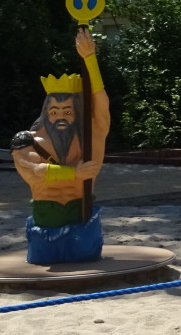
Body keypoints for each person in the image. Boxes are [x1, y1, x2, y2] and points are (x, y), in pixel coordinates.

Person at [13, 28, 109, 264]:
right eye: (54, 112)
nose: (60, 117)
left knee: (86, 262)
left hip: (81, 213)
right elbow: (34, 173)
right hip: (47, 216)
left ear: (77, 112)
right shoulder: (28, 141)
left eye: (67, 111)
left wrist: (90, 60)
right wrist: (73, 172)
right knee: (44, 261)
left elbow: (101, 103)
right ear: (46, 112)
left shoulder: (91, 136)